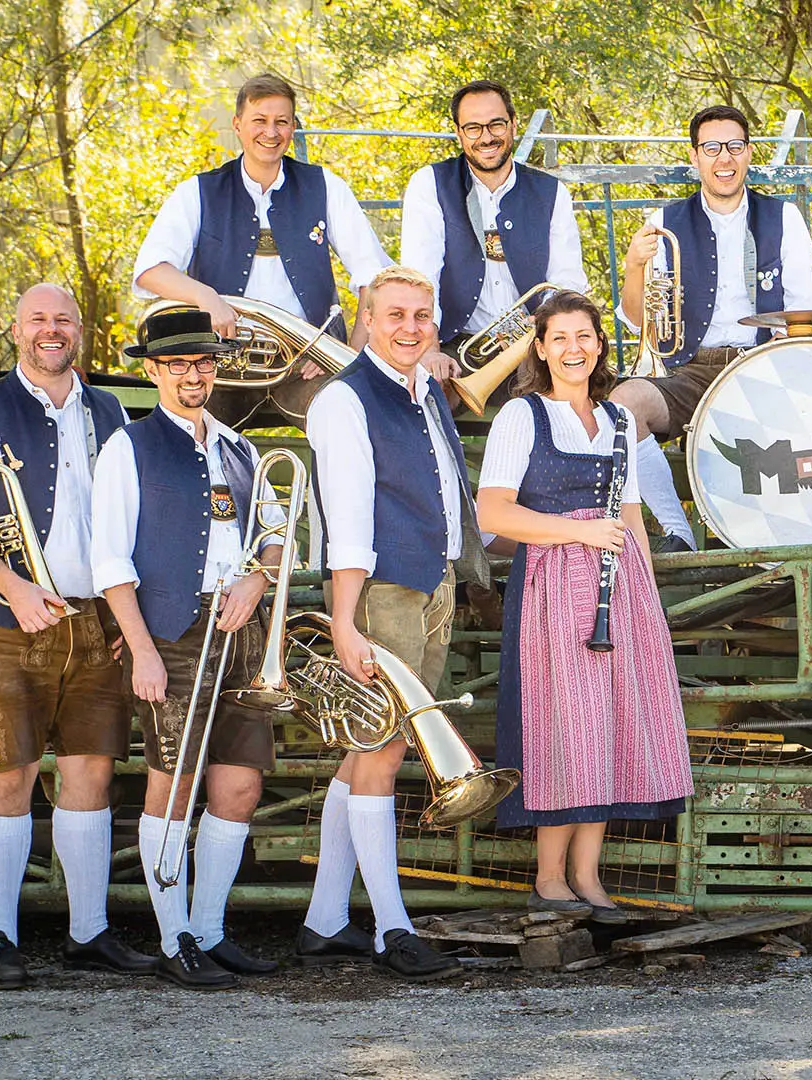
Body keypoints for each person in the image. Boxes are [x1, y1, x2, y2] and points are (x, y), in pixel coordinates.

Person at [0, 283, 148, 988]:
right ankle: (0, 937)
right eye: (38, 319)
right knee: (9, 774)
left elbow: (138, 522)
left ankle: (87, 934)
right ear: (16, 331)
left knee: (90, 773)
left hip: (93, 622)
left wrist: (126, 622)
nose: (51, 330)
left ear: (82, 331)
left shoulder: (112, 412)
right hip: (0, 622)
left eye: (63, 319)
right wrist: (12, 586)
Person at [477, 291, 696, 921]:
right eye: (559, 338)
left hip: (617, 586)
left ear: (600, 343)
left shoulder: (621, 421)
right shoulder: (523, 416)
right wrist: (576, 530)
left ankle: (588, 877)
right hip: (552, 587)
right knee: (561, 728)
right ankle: (550, 879)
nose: (574, 349)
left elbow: (628, 512)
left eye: (585, 336)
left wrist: (646, 600)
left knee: (609, 725)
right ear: (540, 349)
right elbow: (492, 515)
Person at [91, 308, 287, 988]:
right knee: (170, 786)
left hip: (240, 630)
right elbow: (110, 561)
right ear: (151, 370)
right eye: (177, 363)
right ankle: (174, 940)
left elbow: (273, 535)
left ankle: (209, 931)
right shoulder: (128, 447)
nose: (193, 373)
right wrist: (141, 650)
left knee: (239, 785)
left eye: (203, 361)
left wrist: (259, 580)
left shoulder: (241, 447)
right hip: (170, 633)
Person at [299, 265, 479, 980]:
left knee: (374, 749)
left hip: (428, 580)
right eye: (396, 315)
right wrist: (346, 620)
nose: (411, 327)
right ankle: (391, 930)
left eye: (422, 315)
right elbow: (346, 516)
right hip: (380, 590)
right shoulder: (344, 400)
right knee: (383, 752)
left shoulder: (425, 389)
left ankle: (322, 921)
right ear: (366, 320)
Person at [612, 104, 812, 551]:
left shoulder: (785, 219)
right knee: (624, 404)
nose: (724, 158)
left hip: (760, 364)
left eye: (735, 146)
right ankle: (676, 531)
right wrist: (633, 266)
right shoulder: (665, 222)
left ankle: (789, 547)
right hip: (688, 370)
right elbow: (636, 317)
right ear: (695, 157)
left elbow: (802, 312)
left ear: (749, 154)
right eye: (711, 148)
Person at [133, 73, 392, 348]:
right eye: (259, 121)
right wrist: (205, 296)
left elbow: (373, 276)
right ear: (237, 125)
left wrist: (347, 357)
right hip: (221, 356)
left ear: (292, 128)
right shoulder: (197, 191)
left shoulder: (326, 186)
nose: (271, 133)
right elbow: (150, 270)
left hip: (312, 359)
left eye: (281, 122)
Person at [399, 79, 592, 380]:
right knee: (426, 394)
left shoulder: (552, 192)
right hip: (453, 341)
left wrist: (541, 326)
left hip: (533, 343)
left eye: (496, 125)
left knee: (563, 403)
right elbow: (421, 277)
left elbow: (566, 281)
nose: (486, 138)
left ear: (514, 125)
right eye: (473, 128)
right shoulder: (429, 184)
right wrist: (429, 348)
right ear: (458, 133)